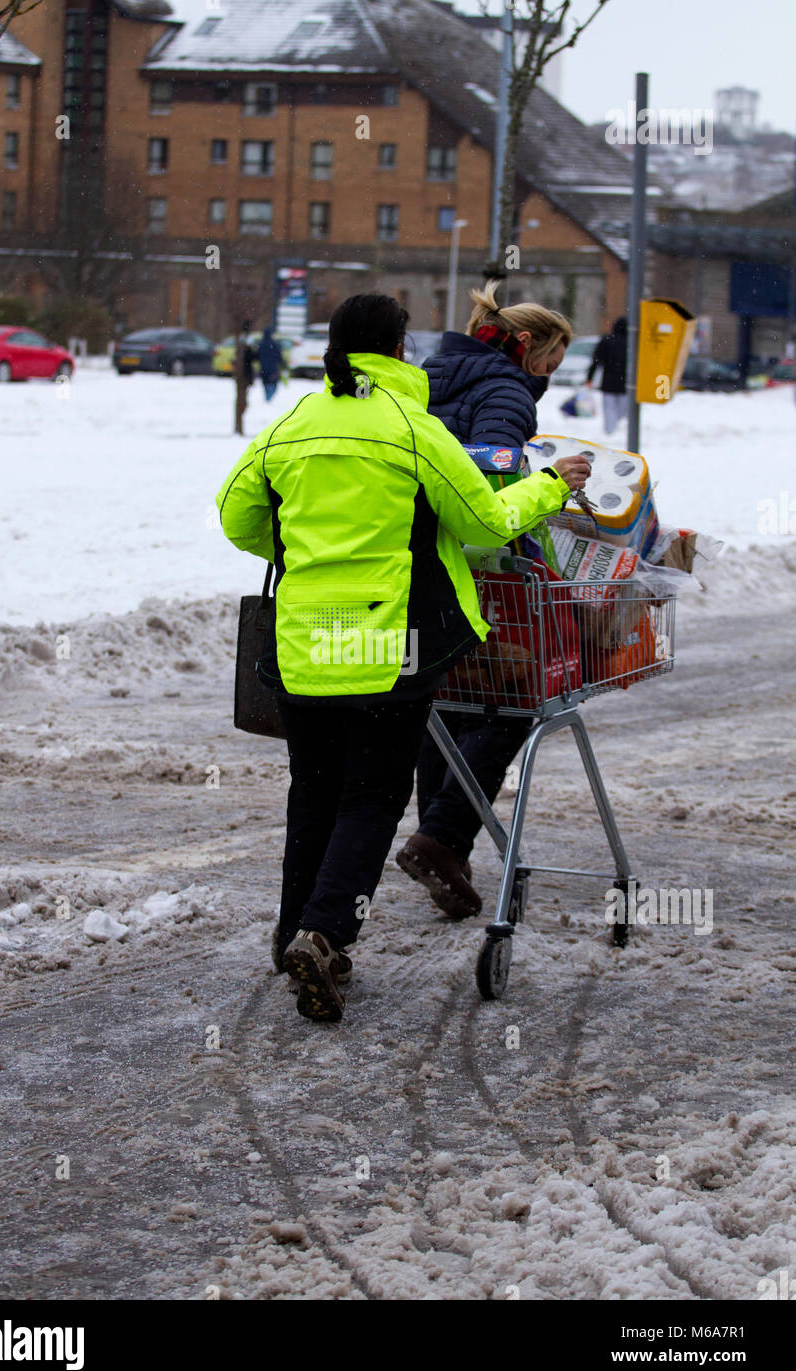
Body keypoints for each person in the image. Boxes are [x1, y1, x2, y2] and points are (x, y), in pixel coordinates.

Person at [216, 293, 590, 1023]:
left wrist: (311, 557)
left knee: (314, 793)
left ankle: (294, 930)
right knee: (373, 797)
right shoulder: (412, 432)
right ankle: (324, 935)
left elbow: (237, 518)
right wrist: (549, 488)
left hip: (302, 642)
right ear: (396, 350)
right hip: (390, 642)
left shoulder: (290, 425)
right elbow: (484, 516)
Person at [397, 283, 584, 919]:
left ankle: (442, 848)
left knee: (443, 699)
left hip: (422, 563)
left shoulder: (431, 374)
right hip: (483, 569)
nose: (550, 378)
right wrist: (552, 487)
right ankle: (444, 838)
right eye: (550, 363)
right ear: (526, 344)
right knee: (511, 703)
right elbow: (489, 478)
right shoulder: (505, 389)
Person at [585, 315, 628, 435]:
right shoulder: (632, 344)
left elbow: (596, 361)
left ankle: (610, 432)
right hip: (626, 383)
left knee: (609, 409)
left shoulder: (607, 341)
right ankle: (619, 431)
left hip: (609, 381)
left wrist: (590, 378)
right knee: (623, 410)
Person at [256, 327, 284, 402]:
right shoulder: (274, 344)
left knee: (265, 383)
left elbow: (257, 356)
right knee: (272, 383)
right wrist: (282, 364)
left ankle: (267, 397)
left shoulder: (260, 344)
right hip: (273, 368)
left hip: (263, 368)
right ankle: (269, 398)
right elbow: (279, 356)